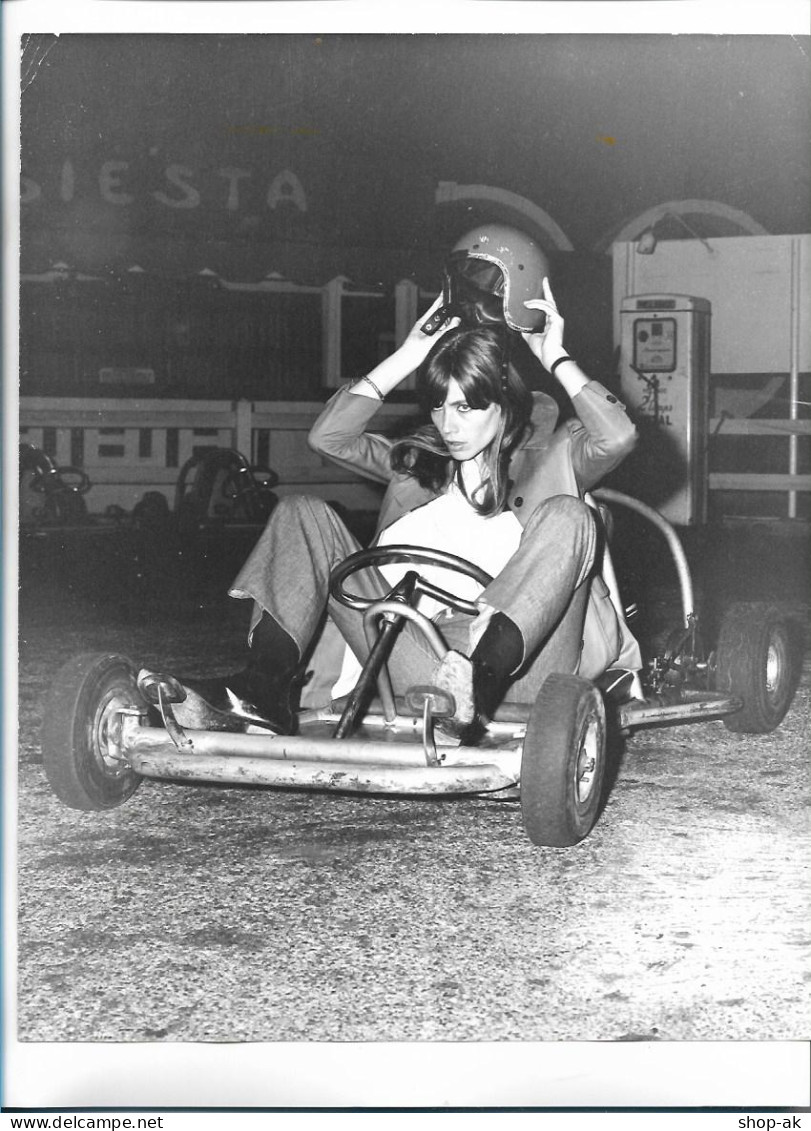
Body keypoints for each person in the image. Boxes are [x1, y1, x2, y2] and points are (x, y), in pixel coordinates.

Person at [160, 226, 641, 738]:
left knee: (572, 515)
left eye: (466, 407)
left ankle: (475, 683)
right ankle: (262, 690)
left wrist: (555, 359)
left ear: (505, 408)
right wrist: (410, 355)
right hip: (417, 664)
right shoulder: (418, 464)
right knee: (301, 512)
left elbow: (617, 437)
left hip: (524, 672)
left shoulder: (556, 452)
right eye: (438, 405)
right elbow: (330, 438)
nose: (448, 424)